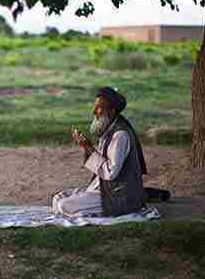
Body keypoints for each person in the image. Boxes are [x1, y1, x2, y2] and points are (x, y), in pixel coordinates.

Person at [51, 86, 149, 218]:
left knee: (64, 205)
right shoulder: (108, 129)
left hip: (118, 196)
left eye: (99, 108)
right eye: (95, 107)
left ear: (112, 111)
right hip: (102, 188)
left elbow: (110, 172)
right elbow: (100, 163)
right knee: (58, 198)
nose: (94, 112)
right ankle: (86, 210)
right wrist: (86, 147)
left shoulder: (120, 135)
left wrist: (89, 147)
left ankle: (97, 212)